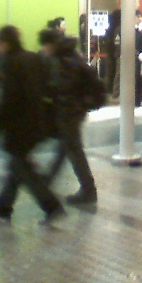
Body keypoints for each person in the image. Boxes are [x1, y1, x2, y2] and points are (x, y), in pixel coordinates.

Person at [0, 26, 65, 224]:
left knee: (23, 169)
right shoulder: (32, 57)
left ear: (5, 43)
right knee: (16, 166)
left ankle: (52, 206)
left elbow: (9, 101)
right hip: (37, 121)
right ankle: (4, 206)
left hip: (21, 126)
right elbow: (46, 87)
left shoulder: (12, 63)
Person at [39, 29, 98, 206]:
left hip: (69, 111)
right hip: (74, 110)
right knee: (66, 147)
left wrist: (49, 92)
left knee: (73, 149)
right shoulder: (70, 54)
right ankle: (48, 180)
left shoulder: (62, 60)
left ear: (50, 45)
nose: (43, 50)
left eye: (45, 46)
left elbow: (63, 87)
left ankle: (89, 190)